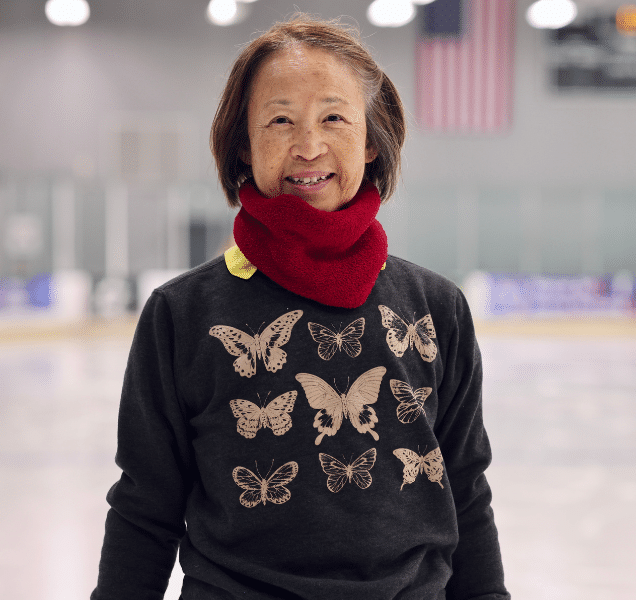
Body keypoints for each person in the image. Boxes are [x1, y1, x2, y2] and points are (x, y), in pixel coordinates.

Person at [91, 14, 508, 600]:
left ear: (370, 141)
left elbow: (464, 489)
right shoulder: (181, 315)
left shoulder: (435, 308)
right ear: (244, 144)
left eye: (334, 118)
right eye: (280, 120)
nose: (308, 146)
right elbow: (144, 506)